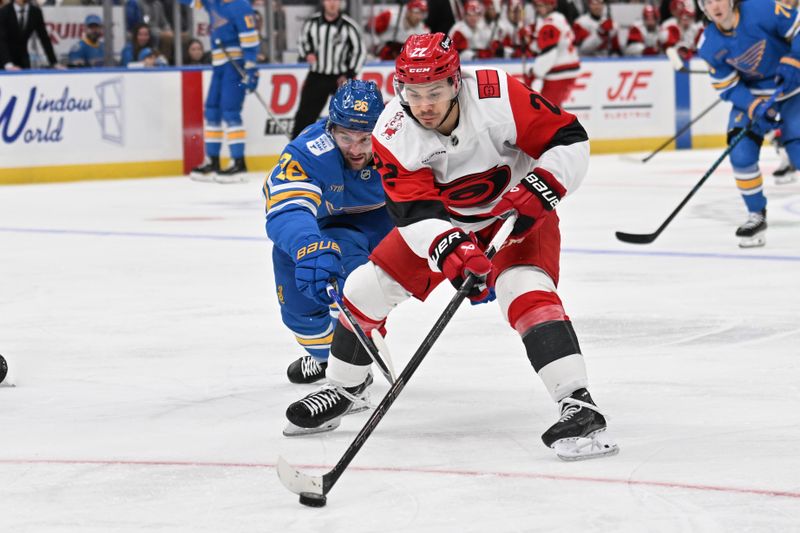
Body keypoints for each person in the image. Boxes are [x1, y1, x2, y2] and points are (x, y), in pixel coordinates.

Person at [283, 33, 619, 461]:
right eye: (414, 93)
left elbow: (569, 138)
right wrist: (453, 250)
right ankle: (347, 387)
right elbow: (414, 213)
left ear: (455, 82)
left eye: (435, 92)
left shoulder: (497, 94)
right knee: (362, 289)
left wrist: (545, 184)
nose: (424, 104)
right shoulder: (392, 130)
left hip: (517, 213)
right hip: (442, 225)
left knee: (525, 290)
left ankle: (578, 403)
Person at [264, 80, 393, 387]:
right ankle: (327, 360)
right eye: (345, 136)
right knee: (298, 312)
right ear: (330, 128)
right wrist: (309, 245)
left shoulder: (402, 141)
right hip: (315, 228)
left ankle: (350, 372)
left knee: (355, 291)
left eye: (365, 139)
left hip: (375, 226)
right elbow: (287, 206)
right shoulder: (309, 150)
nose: (355, 149)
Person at [697, 0, 800, 247]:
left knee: (797, 150)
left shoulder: (762, 8)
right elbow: (729, 86)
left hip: (794, 90)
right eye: (707, 2)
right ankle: (756, 215)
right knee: (740, 152)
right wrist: (755, 107)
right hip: (755, 98)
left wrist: (794, 59)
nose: (715, 6)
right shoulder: (708, 44)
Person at [186, 0, 261, 181]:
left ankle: (238, 162)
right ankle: (213, 160)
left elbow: (250, 36)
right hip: (218, 63)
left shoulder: (240, 5)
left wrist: (251, 68)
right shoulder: (213, 2)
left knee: (230, 111)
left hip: (235, 64)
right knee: (212, 110)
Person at [290, 0, 367, 139]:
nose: (332, 3)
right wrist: (308, 52)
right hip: (317, 76)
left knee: (349, 118)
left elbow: (360, 51)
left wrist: (350, 74)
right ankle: (297, 148)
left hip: (340, 79)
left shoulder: (348, 26)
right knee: (304, 116)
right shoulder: (312, 23)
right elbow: (302, 41)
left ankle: (351, 149)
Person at [523, 0, 580, 107]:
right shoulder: (559, 18)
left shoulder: (550, 23)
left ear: (550, 5)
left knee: (548, 109)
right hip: (567, 68)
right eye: (537, 5)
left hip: (560, 71)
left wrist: (535, 72)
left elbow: (548, 52)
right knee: (554, 108)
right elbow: (546, 45)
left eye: (541, 5)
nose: (538, 9)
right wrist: (532, 41)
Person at [0, 0, 62, 70]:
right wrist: (8, 64)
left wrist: (54, 62)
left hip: (23, 59)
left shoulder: (35, 12)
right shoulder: (4, 12)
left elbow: (44, 38)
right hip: (3, 60)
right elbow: (1, 40)